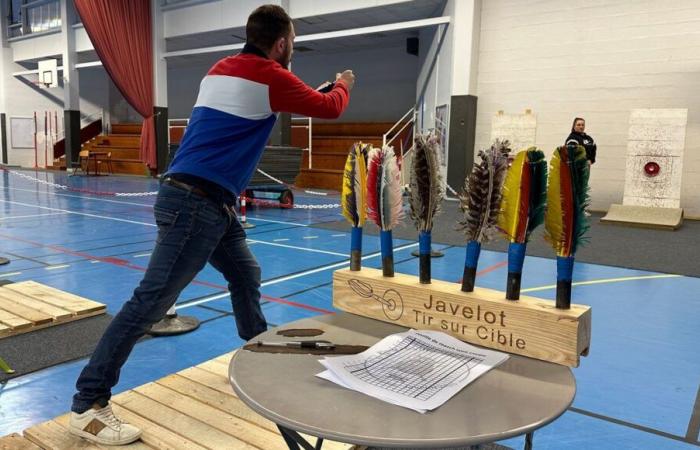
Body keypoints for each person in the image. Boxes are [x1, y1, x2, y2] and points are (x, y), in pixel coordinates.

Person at [68, 4, 355, 446]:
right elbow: (329, 107)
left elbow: (257, 107)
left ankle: (255, 355)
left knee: (245, 274)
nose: (291, 49)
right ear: (281, 44)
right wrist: (342, 84)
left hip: (207, 203)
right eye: (291, 43)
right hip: (194, 206)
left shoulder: (220, 69)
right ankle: (89, 403)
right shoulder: (272, 76)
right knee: (148, 305)